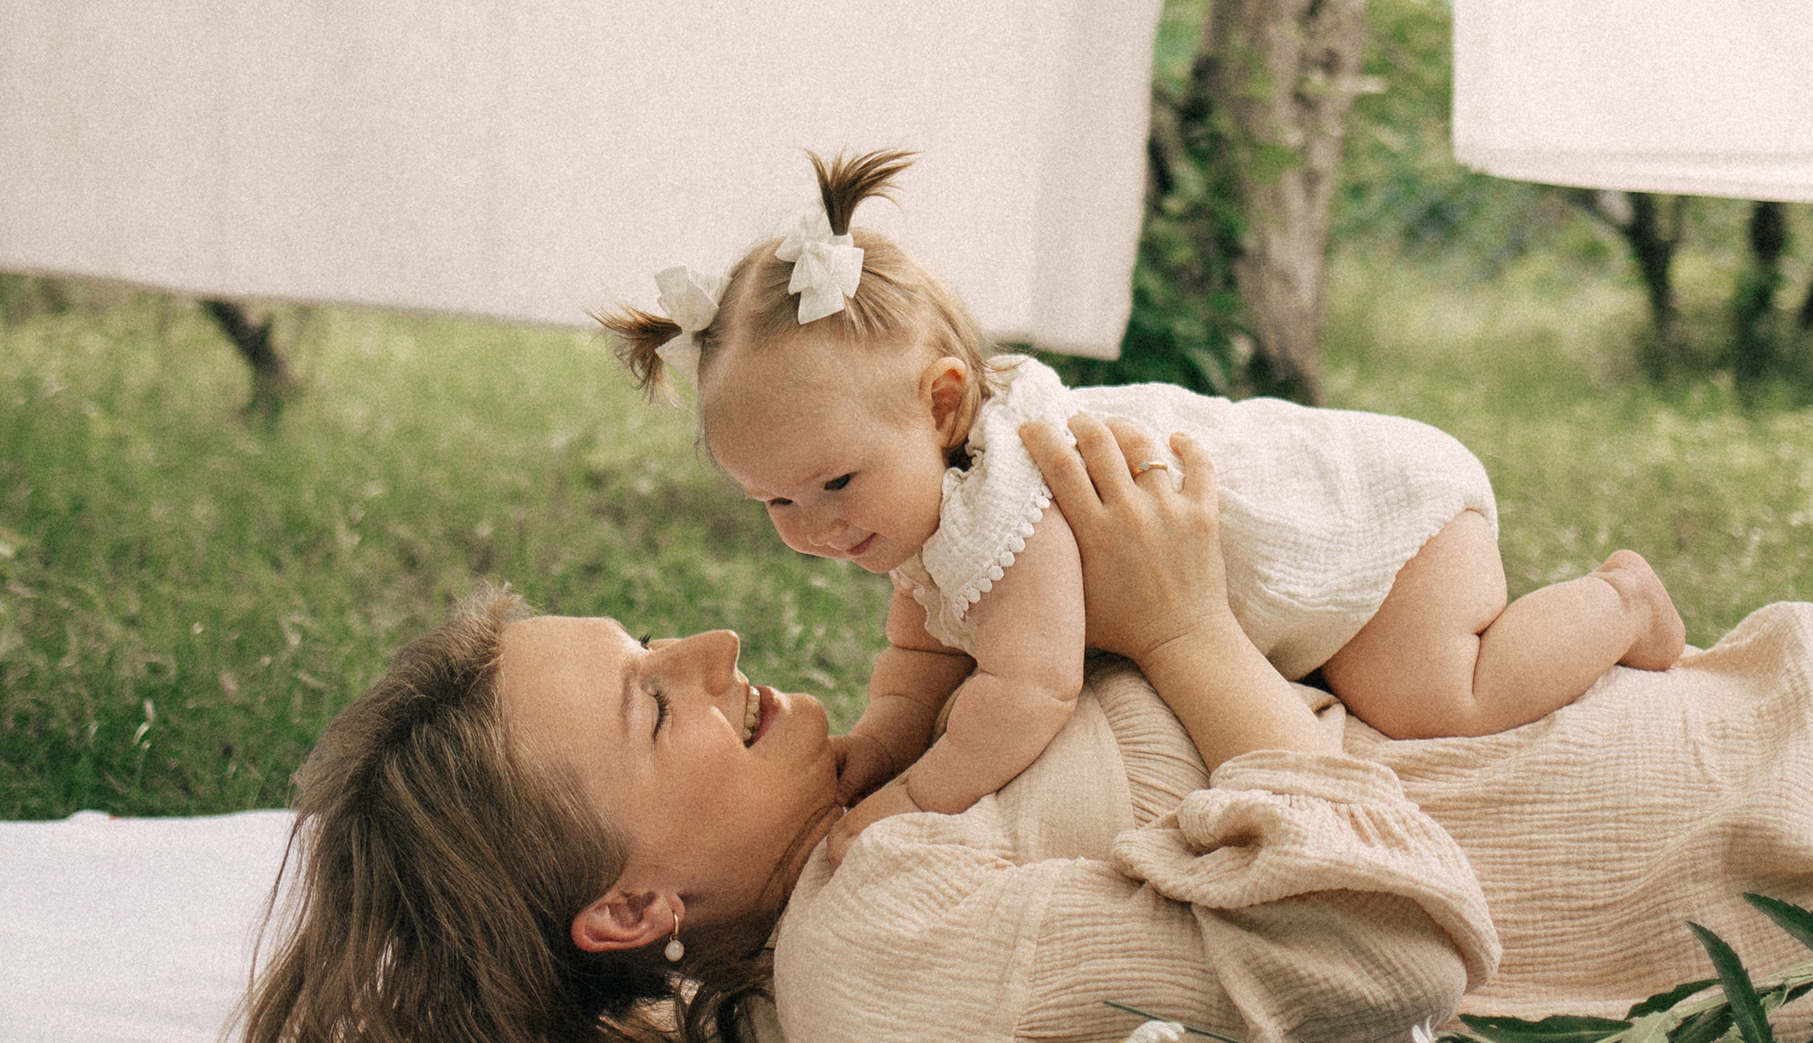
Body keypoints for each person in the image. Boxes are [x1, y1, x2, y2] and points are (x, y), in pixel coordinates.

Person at [237, 416, 1813, 1043]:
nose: (714, 648)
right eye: (655, 707)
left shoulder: (897, 789)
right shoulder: (871, 962)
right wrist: (1189, 630)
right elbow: (1378, 957)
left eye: (655, 640)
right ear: (631, 907)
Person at [597, 149, 1683, 851]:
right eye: (775, 503)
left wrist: (909, 803)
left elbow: (1027, 690)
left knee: (1437, 701)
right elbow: (921, 655)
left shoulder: (1014, 499)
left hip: (1376, 533)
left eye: (835, 482)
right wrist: (878, 743)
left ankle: (1620, 603)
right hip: (1303, 556)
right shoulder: (929, 507)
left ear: (942, 404)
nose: (816, 528)